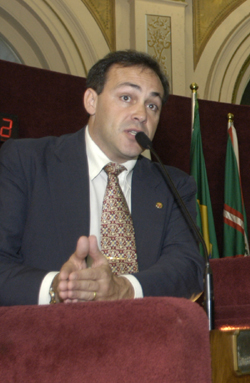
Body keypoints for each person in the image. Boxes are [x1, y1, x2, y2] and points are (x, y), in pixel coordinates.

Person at [0, 50, 203, 306]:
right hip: (48, 328)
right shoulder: (26, 162)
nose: (142, 114)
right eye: (126, 97)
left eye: (152, 105)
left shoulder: (173, 185)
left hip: (144, 329)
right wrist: (59, 288)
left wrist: (123, 289)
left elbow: (188, 269)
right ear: (91, 101)